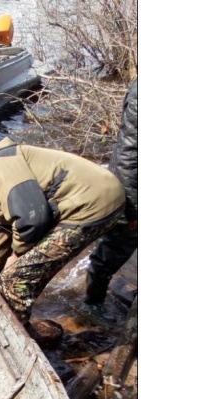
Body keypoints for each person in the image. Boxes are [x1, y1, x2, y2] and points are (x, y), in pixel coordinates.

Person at [0, 138, 125, 340]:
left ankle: (15, 337)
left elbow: (31, 219)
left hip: (91, 206)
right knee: (15, 275)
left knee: (15, 278)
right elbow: (4, 231)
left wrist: (16, 256)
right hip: (99, 198)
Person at [81, 79, 138, 309]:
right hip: (131, 186)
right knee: (116, 246)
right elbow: (129, 155)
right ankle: (92, 304)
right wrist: (133, 209)